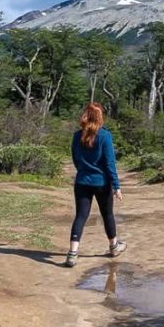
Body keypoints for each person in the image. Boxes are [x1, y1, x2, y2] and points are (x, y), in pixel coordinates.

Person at [65, 102, 125, 267]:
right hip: (101, 183)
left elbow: (75, 158)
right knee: (107, 215)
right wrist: (116, 186)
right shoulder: (105, 136)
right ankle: (114, 246)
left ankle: (72, 253)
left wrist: (83, 171)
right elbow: (110, 163)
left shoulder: (77, 136)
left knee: (81, 216)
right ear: (100, 118)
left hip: (82, 181)